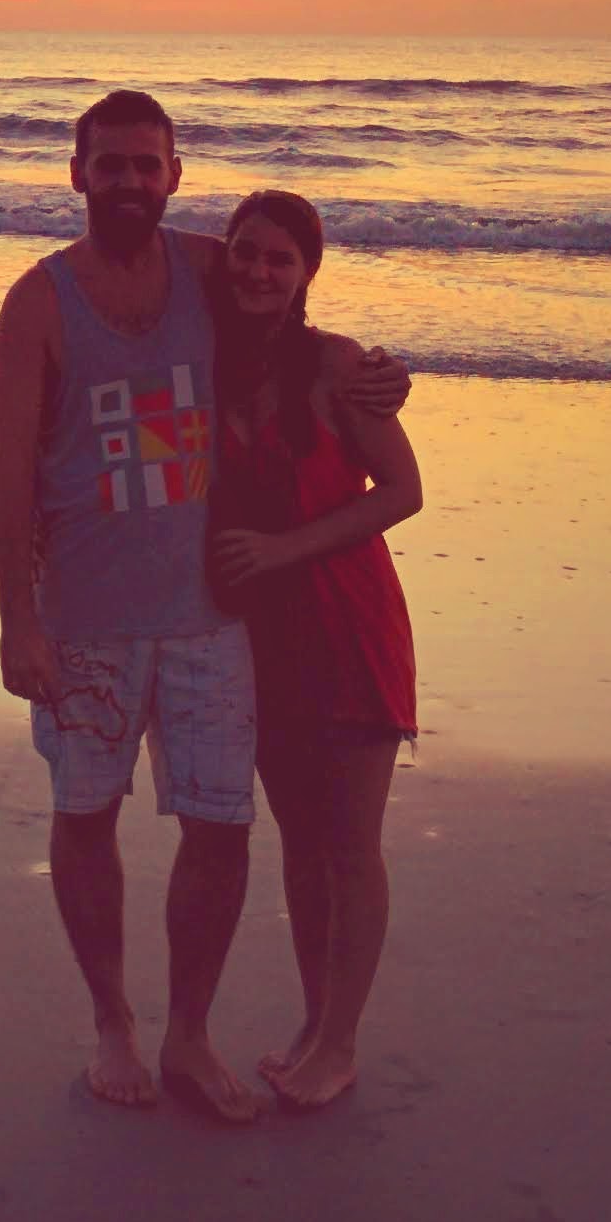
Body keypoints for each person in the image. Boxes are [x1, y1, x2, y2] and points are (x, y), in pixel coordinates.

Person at [0, 91, 409, 1120]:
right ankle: (111, 1026)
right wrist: (17, 618)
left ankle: (187, 1033)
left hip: (210, 620)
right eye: (109, 164)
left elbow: (294, 302)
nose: (127, 180)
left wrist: (380, 375)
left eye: (147, 164)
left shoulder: (206, 267)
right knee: (84, 816)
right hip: (83, 614)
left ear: (175, 174)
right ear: (74, 171)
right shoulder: (37, 300)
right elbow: (7, 476)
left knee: (221, 830)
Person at [204, 188, 422, 1114]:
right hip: (260, 633)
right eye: (244, 253)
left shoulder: (340, 369)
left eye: (279, 260)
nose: (258, 271)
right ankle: (312, 1019)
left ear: (306, 277)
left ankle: (341, 1043)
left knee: (350, 848)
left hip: (346, 620)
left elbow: (403, 490)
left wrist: (285, 549)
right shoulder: (203, 363)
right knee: (298, 844)